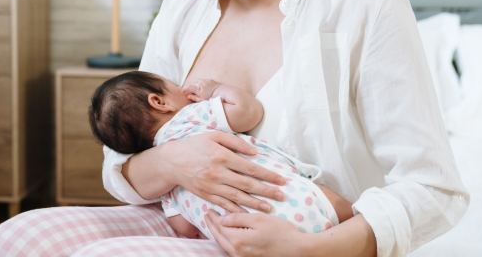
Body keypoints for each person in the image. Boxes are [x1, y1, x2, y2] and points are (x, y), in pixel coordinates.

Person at [0, 0, 469, 256]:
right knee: (13, 240)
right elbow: (122, 167)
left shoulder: (363, 2)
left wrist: (313, 250)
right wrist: (175, 161)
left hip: (313, 239)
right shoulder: (180, 13)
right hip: (196, 224)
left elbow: (433, 190)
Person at [88, 72, 354, 241]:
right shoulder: (191, 118)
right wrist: (215, 90)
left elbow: (184, 228)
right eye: (176, 86)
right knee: (348, 211)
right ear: (159, 102)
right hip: (296, 199)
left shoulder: (166, 189)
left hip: (255, 237)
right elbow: (248, 112)